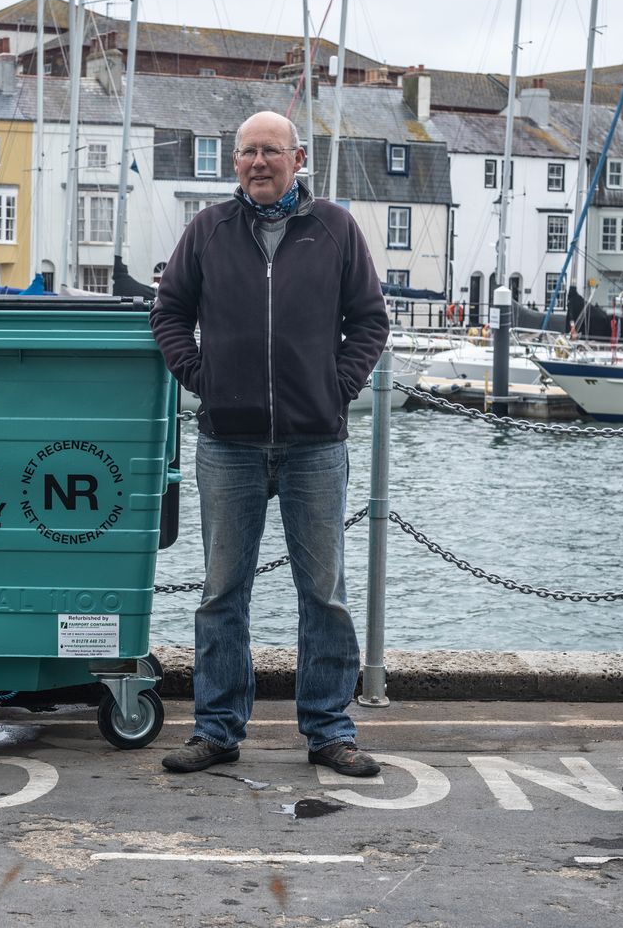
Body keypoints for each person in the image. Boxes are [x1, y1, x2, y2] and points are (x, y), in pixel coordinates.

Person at [150, 110, 390, 777]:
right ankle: (218, 727)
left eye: (271, 151)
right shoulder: (208, 231)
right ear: (235, 163)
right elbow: (168, 311)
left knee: (325, 595)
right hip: (228, 440)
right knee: (222, 592)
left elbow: (371, 320)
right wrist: (201, 377)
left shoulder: (335, 230)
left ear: (298, 158)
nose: (259, 162)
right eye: (248, 152)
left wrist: (335, 387)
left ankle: (329, 729)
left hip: (317, 443)